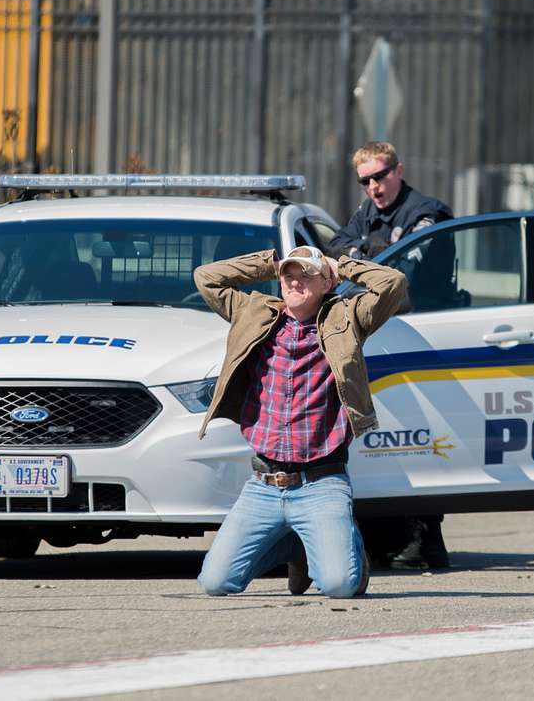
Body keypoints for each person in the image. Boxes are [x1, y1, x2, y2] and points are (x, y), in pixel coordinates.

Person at [193, 245, 405, 597]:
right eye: (289, 276)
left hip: (322, 482)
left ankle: (342, 553)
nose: (295, 282)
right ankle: (298, 548)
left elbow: (392, 283)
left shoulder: (348, 317)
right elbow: (207, 278)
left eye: (306, 275)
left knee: (339, 586)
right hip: (263, 483)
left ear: (327, 283)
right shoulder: (253, 312)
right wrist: (271, 264)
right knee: (216, 583)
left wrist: (342, 265)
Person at [329, 141, 454, 570]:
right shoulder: (366, 213)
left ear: (399, 169)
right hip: (385, 334)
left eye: (380, 176)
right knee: (391, 438)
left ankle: (428, 540)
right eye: (365, 180)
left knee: (422, 437)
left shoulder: (427, 211)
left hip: (426, 336)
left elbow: (405, 268)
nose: (374, 187)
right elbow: (335, 248)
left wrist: (359, 255)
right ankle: (395, 536)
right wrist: (361, 253)